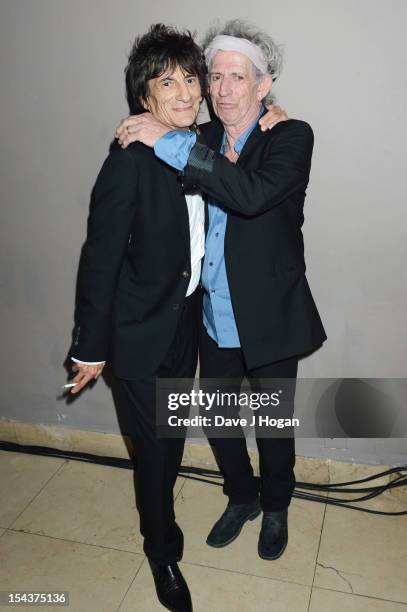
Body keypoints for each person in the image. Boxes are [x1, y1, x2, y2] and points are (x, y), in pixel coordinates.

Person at [69, 23, 286, 612]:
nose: (189, 92)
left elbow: (246, 140)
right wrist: (90, 347)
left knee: (173, 436)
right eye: (170, 83)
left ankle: (184, 518)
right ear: (146, 98)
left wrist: (274, 109)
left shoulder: (207, 143)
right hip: (137, 337)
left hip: (188, 327)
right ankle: (161, 553)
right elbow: (100, 258)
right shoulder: (128, 162)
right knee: (160, 449)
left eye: (193, 78)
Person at [116, 18, 327, 566]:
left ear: (264, 85)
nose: (223, 90)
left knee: (273, 422)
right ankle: (242, 495)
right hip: (212, 318)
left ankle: (277, 503)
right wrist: (149, 128)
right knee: (219, 416)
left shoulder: (291, 136)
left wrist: (169, 140)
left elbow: (252, 194)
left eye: (239, 78)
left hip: (270, 316)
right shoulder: (201, 138)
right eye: (216, 77)